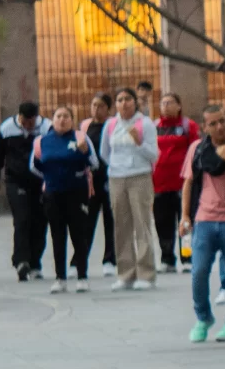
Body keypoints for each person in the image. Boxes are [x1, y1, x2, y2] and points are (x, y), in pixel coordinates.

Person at [178, 104, 225, 344]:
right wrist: (185, 215)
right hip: (204, 220)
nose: (220, 127)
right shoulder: (198, 149)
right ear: (205, 127)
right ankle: (203, 317)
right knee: (199, 272)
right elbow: (188, 183)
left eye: (223, 121)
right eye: (214, 123)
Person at [100, 87, 160, 291]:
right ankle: (125, 273)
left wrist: (138, 142)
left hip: (139, 176)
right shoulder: (111, 124)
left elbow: (153, 154)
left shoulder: (145, 124)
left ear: (135, 102)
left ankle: (146, 273)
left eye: (127, 99)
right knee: (121, 227)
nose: (123, 103)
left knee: (141, 224)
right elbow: (105, 153)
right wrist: (117, 167)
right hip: (117, 178)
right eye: (119, 100)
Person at [33, 105, 98, 294]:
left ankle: (82, 276)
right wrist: (51, 178)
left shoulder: (80, 138)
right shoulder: (43, 141)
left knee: (78, 234)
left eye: (66, 116)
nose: (62, 120)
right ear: (52, 120)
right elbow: (35, 166)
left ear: (72, 119)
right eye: (58, 116)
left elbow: (94, 163)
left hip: (76, 192)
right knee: (57, 235)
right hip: (53, 193)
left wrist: (84, 152)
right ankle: (60, 278)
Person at [0, 100, 51, 281]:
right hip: (15, 180)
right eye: (24, 122)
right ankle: (21, 261)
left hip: (40, 181)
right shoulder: (8, 128)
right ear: (19, 117)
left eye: (31, 123)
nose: (27, 127)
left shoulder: (46, 128)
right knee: (22, 219)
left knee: (40, 222)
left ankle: (35, 263)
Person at [151, 91, 201, 273]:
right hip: (160, 182)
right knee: (162, 222)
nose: (166, 106)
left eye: (170, 102)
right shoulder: (154, 127)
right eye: (163, 103)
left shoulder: (188, 126)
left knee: (185, 221)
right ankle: (167, 258)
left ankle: (187, 256)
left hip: (182, 182)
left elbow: (196, 150)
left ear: (179, 105)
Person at [85, 92, 117, 276]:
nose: (96, 109)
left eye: (101, 105)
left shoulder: (112, 125)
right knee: (87, 221)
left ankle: (110, 259)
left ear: (108, 108)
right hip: (92, 181)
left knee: (110, 221)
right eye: (94, 105)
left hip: (110, 177)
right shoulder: (86, 126)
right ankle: (80, 259)